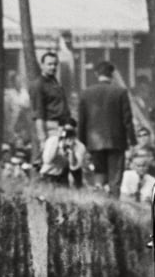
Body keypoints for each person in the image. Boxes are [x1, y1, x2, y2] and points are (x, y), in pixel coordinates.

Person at [77, 60, 137, 198]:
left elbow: (82, 121)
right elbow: (127, 119)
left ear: (97, 74)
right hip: (116, 141)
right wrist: (132, 142)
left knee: (99, 173)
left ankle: (100, 203)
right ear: (112, 74)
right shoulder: (120, 92)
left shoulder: (86, 93)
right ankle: (114, 204)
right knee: (115, 178)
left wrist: (83, 142)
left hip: (94, 143)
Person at [29, 51, 71, 167]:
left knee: (63, 161)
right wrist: (42, 139)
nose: (53, 67)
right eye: (49, 64)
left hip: (62, 127)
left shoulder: (55, 83)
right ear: (42, 65)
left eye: (55, 64)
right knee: (49, 161)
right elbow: (38, 114)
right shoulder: (38, 85)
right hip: (50, 127)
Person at [40, 119, 87, 188]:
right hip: (49, 173)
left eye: (71, 131)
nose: (68, 133)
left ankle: (77, 190)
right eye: (65, 130)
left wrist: (71, 151)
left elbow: (74, 167)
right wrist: (58, 143)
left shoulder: (79, 146)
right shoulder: (52, 141)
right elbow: (47, 160)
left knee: (77, 172)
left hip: (66, 175)